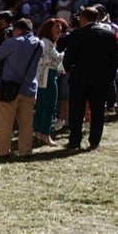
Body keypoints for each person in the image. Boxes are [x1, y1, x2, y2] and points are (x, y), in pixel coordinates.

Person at [59, 5, 118, 150]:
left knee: (76, 110)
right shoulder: (109, 34)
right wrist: (109, 76)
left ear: (83, 18)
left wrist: (67, 68)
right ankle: (94, 141)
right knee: (98, 111)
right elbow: (115, 59)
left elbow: (69, 57)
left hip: (80, 78)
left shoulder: (77, 34)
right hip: (101, 80)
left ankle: (75, 141)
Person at [0, 18, 44, 158]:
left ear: (17, 30)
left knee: (5, 122)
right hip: (29, 88)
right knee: (26, 123)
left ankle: (3, 151)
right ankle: (25, 151)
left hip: (8, 89)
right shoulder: (40, 44)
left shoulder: (12, 42)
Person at [32, 18, 67, 146]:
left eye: (60, 28)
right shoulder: (46, 43)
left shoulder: (45, 42)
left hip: (43, 77)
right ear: (49, 29)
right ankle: (45, 134)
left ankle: (37, 130)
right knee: (50, 106)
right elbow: (54, 60)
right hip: (48, 76)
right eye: (56, 27)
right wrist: (65, 54)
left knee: (42, 105)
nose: (59, 30)